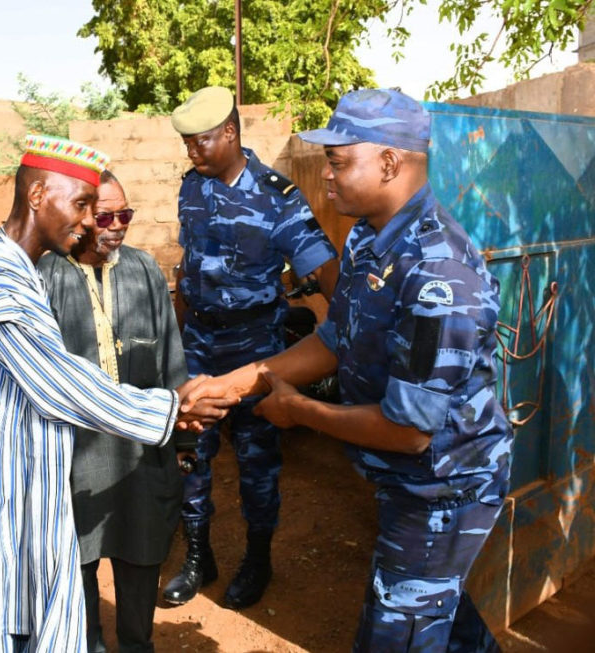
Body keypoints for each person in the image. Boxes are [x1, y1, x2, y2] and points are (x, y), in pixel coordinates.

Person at [183, 89, 513, 651]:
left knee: (395, 632)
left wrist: (300, 411)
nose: (327, 177)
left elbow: (409, 431)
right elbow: (336, 337)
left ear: (390, 162)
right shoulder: (368, 236)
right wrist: (230, 383)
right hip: (404, 479)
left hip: (443, 486)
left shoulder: (438, 273)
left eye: (338, 162)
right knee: (444, 621)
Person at [0, 135, 229, 653]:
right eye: (80, 205)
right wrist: (170, 408)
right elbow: (57, 383)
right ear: (36, 197)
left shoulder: (12, 266)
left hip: (13, 491)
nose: (89, 222)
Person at [164, 86, 340, 610]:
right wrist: (177, 338)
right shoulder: (191, 189)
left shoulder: (275, 195)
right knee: (191, 451)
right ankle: (199, 556)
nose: (192, 153)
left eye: (200, 142)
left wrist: (358, 328)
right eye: (187, 144)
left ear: (231, 134)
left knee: (258, 459)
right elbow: (187, 266)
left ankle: (257, 557)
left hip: (256, 345)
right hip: (199, 340)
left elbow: (322, 267)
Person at [37, 170, 189, 652]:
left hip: (140, 457)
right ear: (81, 217)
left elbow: (171, 359)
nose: (118, 226)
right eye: (106, 216)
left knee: (141, 559)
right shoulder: (48, 276)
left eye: (126, 215)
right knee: (75, 572)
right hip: (74, 461)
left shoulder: (144, 270)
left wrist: (181, 442)